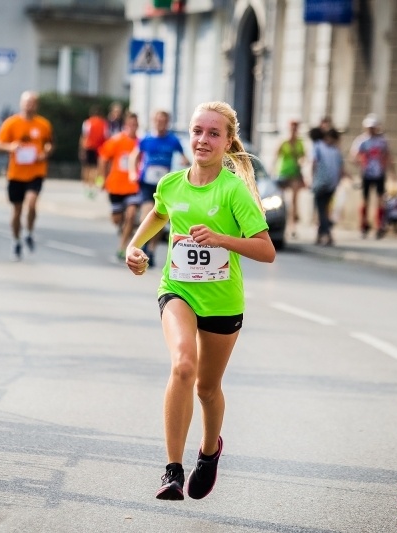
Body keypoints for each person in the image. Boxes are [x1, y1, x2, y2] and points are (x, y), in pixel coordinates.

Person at [125, 101, 276, 501]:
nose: (203, 139)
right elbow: (159, 213)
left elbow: (266, 251)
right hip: (179, 289)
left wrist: (221, 238)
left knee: (208, 388)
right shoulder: (172, 183)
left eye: (213, 133)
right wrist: (135, 247)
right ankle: (172, 470)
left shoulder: (234, 191)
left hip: (223, 302)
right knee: (183, 365)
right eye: (196, 131)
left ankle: (209, 453)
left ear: (228, 142)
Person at [0, 91, 54, 260]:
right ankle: (16, 240)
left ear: (36, 105)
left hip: (36, 172)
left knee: (32, 203)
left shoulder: (43, 124)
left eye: (33, 102)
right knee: (16, 210)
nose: (29, 105)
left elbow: (49, 144)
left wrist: (46, 152)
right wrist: (11, 147)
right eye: (27, 102)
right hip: (16, 174)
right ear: (21, 104)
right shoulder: (11, 123)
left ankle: (28, 231)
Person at [129, 110, 189, 264]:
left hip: (165, 186)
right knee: (146, 216)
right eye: (158, 120)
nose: (160, 123)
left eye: (164, 121)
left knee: (161, 220)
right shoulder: (147, 139)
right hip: (147, 183)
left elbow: (184, 157)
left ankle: (152, 249)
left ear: (167, 122)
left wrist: (184, 162)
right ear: (153, 121)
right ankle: (143, 244)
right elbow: (134, 156)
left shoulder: (173, 140)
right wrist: (133, 173)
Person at [96, 112, 141, 259]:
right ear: (125, 125)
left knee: (131, 214)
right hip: (115, 185)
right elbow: (103, 158)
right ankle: (122, 227)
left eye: (135, 125)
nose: (133, 127)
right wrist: (101, 178)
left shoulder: (140, 143)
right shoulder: (116, 140)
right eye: (130, 124)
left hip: (133, 186)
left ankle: (123, 247)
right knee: (117, 219)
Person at [350, 113, 396, 239]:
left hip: (379, 173)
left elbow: (388, 156)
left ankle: (379, 226)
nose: (371, 130)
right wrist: (359, 160)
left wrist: (393, 173)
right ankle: (363, 225)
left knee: (380, 199)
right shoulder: (362, 140)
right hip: (367, 173)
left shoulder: (382, 141)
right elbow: (354, 156)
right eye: (369, 127)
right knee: (365, 200)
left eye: (373, 127)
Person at [311, 129, 349, 246]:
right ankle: (320, 235)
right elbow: (341, 168)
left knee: (322, 210)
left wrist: (312, 178)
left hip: (321, 183)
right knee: (324, 210)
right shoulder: (336, 151)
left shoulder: (318, 147)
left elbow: (314, 163)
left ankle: (327, 235)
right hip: (331, 184)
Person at [273, 119, 306, 234]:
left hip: (294, 173)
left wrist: (301, 162)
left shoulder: (299, 143)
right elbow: (276, 156)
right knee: (280, 200)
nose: (294, 131)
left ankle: (292, 227)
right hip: (283, 172)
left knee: (294, 201)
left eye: (295, 128)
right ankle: (279, 223)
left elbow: (303, 156)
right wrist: (272, 172)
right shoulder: (284, 142)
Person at [78, 105, 108, 197]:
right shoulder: (104, 124)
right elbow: (106, 136)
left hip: (88, 147)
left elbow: (84, 136)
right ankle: (94, 186)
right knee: (96, 168)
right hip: (99, 148)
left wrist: (81, 149)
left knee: (87, 168)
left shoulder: (88, 122)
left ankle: (87, 186)